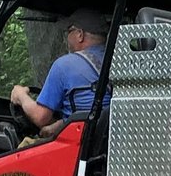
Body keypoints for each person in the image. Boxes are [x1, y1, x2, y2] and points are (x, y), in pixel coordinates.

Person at [12, 10, 108, 138]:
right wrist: (60, 125)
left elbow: (40, 117)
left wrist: (21, 96)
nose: (67, 38)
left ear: (80, 35)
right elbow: (99, 112)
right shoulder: (123, 62)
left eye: (69, 32)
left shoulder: (65, 65)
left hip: (82, 146)